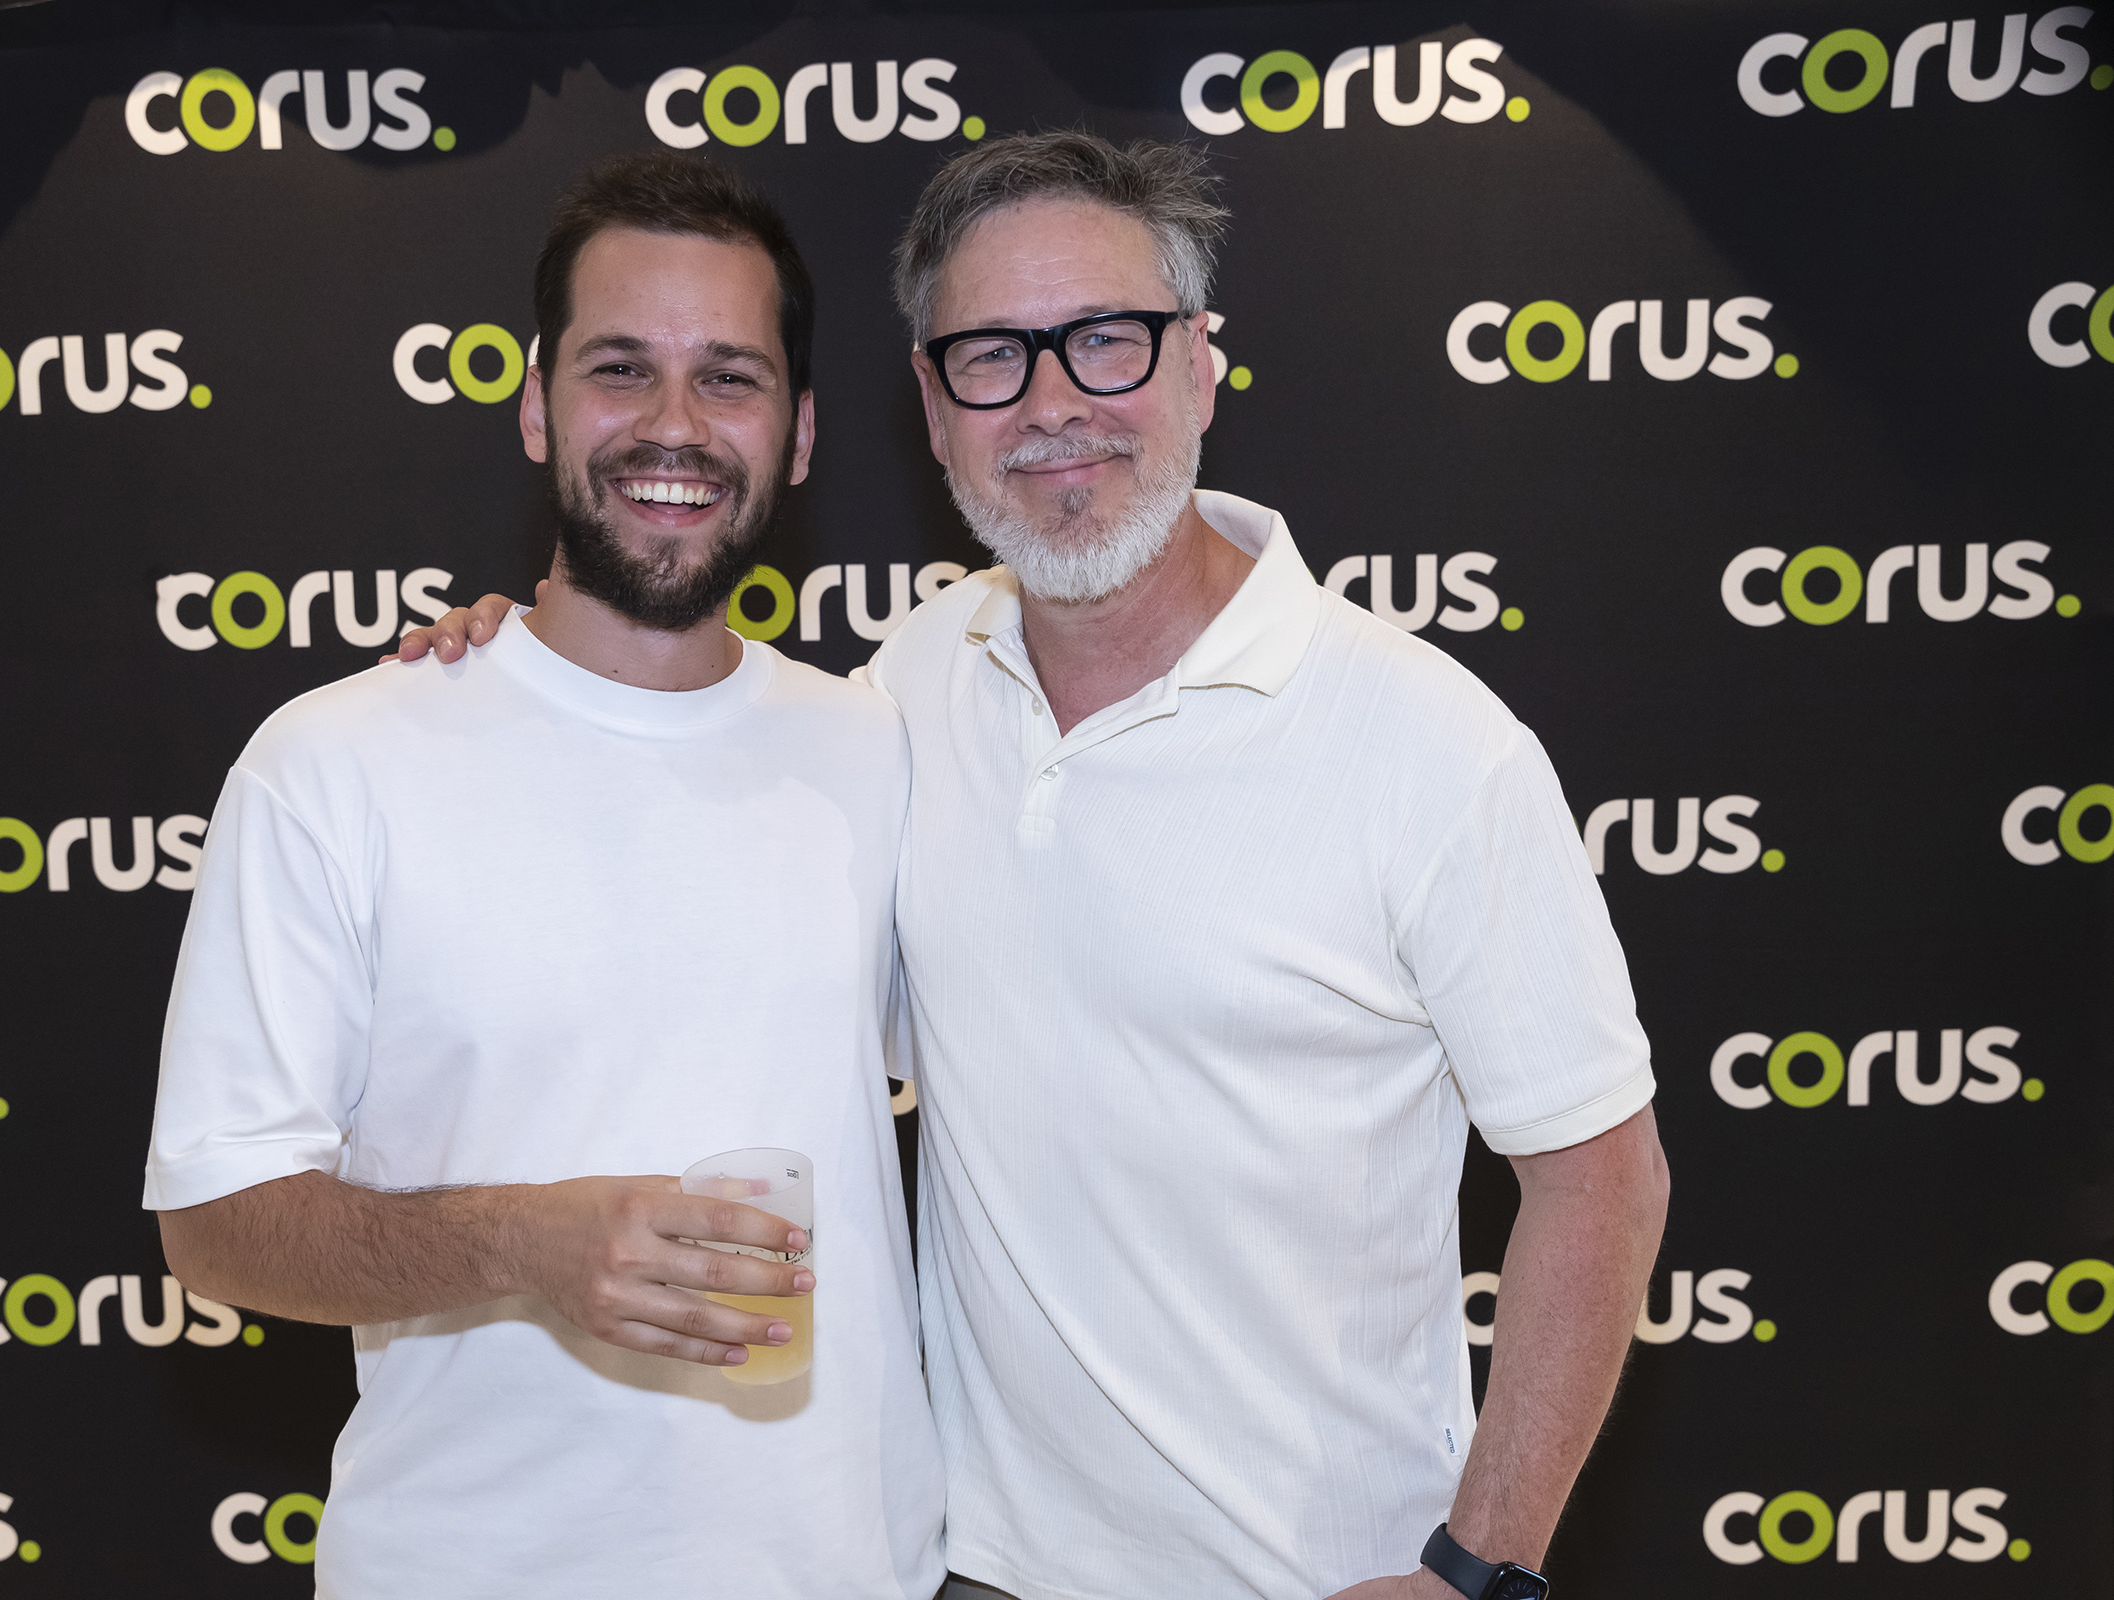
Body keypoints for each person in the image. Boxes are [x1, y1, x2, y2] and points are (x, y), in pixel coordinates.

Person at [407, 133, 1668, 1600]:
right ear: (933, 410)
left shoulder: (1430, 745)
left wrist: (1480, 1568)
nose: (1055, 402)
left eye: (1108, 339)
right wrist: (525, 666)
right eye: (993, 356)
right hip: (973, 1568)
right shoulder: (911, 687)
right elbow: (688, 777)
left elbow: (1601, 1176)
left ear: (1201, 364)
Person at [143, 152, 944, 1600]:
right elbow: (215, 1223)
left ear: (802, 434)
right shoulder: (337, 762)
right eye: (620, 369)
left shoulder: (881, 749)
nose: (674, 424)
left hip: (847, 1569)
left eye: (731, 378)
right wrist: (525, 1242)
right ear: (536, 406)